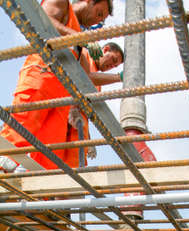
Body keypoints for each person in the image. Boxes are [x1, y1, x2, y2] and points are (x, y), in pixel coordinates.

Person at [0, 0, 113, 172]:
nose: (96, 21)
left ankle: (41, 187)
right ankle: (3, 156)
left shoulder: (79, 40)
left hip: (61, 98)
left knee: (51, 148)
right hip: (41, 74)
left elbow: (86, 76)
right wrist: (81, 39)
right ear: (89, 2)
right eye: (99, 13)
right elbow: (42, 19)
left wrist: (119, 78)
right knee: (24, 121)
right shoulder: (63, 4)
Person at [67, 41, 124, 167]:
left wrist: (88, 138)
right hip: (66, 118)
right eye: (113, 59)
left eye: (115, 66)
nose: (112, 66)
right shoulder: (85, 55)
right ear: (105, 49)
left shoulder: (98, 83)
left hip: (78, 127)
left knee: (74, 169)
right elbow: (84, 79)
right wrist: (118, 77)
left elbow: (85, 110)